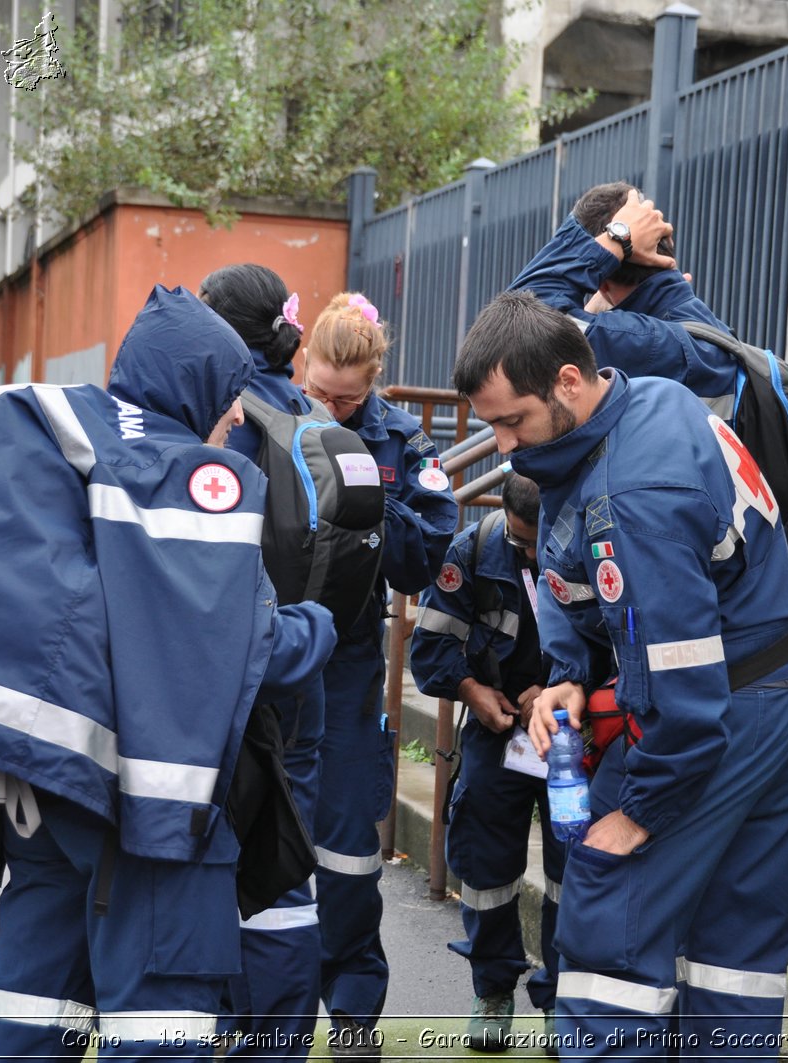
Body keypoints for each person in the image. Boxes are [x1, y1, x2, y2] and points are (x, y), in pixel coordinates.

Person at [0, 284, 338, 1060]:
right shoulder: (172, 468)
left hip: (41, 781)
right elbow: (235, 645)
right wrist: (322, 624)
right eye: (231, 394)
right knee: (160, 1018)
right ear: (194, 383)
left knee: (33, 1000)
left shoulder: (79, 444)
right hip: (144, 805)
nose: (237, 415)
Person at [453, 290, 788, 1060]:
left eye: (511, 420)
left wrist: (636, 814)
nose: (499, 445)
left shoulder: (636, 493)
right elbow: (594, 583)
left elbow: (682, 691)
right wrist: (569, 673)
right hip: (780, 687)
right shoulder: (641, 400)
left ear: (566, 381)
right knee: (733, 946)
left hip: (721, 709)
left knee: (609, 911)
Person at [302, 292, 457, 1057]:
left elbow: (428, 555)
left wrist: (366, 492)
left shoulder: (400, 440)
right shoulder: (267, 421)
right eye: (321, 391)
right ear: (301, 364)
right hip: (261, 659)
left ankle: (355, 1011)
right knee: (254, 839)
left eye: (348, 397)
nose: (331, 405)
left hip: (349, 660)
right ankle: (257, 1010)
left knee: (347, 850)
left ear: (374, 381)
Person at [200, 262, 325, 1062]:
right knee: (287, 868)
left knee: (221, 862)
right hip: (305, 673)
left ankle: (227, 1034)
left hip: (234, 673)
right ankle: (278, 1041)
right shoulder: (313, 417)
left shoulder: (228, 422)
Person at [408, 471, 565, 1053]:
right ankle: (493, 990)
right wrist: (471, 689)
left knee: (572, 867)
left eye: (539, 541)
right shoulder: (471, 552)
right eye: (522, 542)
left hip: (573, 732)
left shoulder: (586, 545)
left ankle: (561, 1000)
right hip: (498, 733)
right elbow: (430, 649)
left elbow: (614, 642)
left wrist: (560, 692)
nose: (530, 553)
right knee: (483, 863)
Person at [510, 183, 740, 400]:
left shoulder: (647, 342)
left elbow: (513, 324)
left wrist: (616, 238)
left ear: (604, 281)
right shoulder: (694, 331)